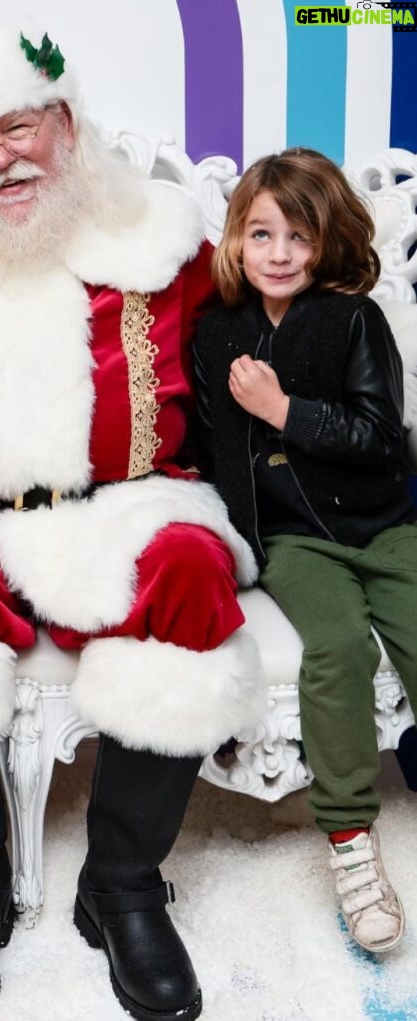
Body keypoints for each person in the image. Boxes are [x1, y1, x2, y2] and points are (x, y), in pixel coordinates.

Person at [0, 28, 266, 1021]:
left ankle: (122, 881)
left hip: (132, 504)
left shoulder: (156, 235)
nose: (1, 154)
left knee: (189, 571)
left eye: (20, 125)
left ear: (68, 125)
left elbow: (282, 301)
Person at [193, 148, 416, 954]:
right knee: (334, 648)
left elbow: (379, 437)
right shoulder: (216, 334)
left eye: (297, 236)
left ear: (324, 244)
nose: (278, 253)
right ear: (235, 241)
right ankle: (352, 843)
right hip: (292, 543)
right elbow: (210, 447)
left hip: (382, 525)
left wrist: (284, 410)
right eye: (261, 234)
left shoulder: (353, 318)